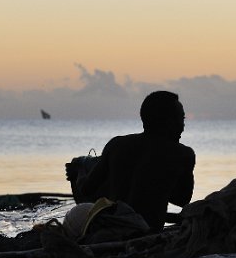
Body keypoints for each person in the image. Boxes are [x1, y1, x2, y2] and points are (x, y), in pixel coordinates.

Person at [66, 91, 196, 232]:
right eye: (180, 119)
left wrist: (76, 173)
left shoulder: (115, 145)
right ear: (168, 122)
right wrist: (158, 183)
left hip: (111, 230)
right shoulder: (184, 154)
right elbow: (182, 200)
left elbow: (86, 190)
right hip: (147, 236)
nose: (182, 126)